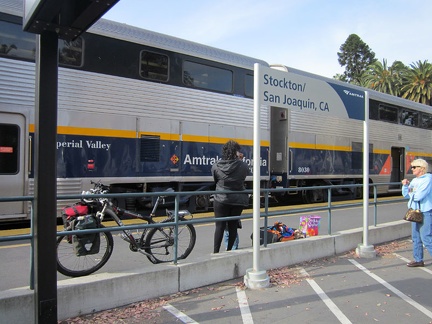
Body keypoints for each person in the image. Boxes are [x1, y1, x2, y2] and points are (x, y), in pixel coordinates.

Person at [212, 140, 249, 253]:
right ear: (236, 152)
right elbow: (244, 176)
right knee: (233, 226)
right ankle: (229, 251)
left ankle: (216, 252)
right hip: (238, 199)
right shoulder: (243, 165)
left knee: (219, 227)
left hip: (221, 199)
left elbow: (216, 180)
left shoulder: (216, 166)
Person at [401, 158, 432, 267]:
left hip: (425, 211)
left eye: (414, 167)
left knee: (426, 237)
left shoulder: (428, 179)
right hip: (415, 212)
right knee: (416, 237)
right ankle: (418, 259)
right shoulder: (414, 180)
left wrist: (412, 192)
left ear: (422, 168)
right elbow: (406, 194)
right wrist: (405, 186)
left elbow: (419, 196)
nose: (412, 169)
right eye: (412, 167)